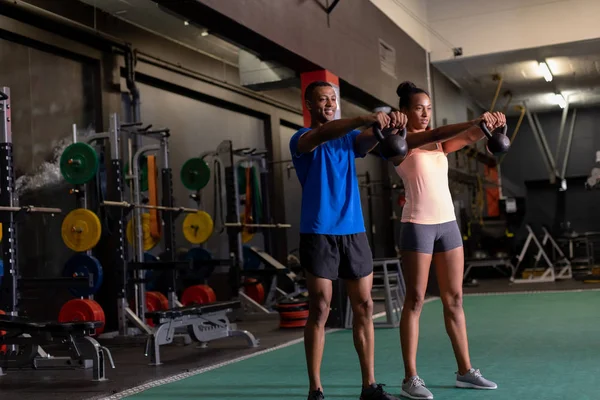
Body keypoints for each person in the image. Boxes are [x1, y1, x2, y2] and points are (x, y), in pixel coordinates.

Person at [290, 80, 499, 400]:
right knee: (321, 308)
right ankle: (316, 389)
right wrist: (370, 118)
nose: (329, 104)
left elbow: (370, 139)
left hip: (354, 230)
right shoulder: (302, 138)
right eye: (323, 100)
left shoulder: (350, 138)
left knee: (365, 305)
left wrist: (387, 124)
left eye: (333, 99)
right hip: (319, 230)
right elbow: (322, 135)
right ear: (309, 105)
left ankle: (370, 387)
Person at [392, 81, 505, 400]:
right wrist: (475, 120)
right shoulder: (401, 142)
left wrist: (489, 126)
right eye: (418, 108)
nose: (425, 114)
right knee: (414, 300)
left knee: (454, 298)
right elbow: (435, 134)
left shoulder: (440, 146)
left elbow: (470, 136)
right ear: (404, 111)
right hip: (417, 225)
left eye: (429, 109)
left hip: (448, 226)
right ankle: (410, 378)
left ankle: (465, 371)